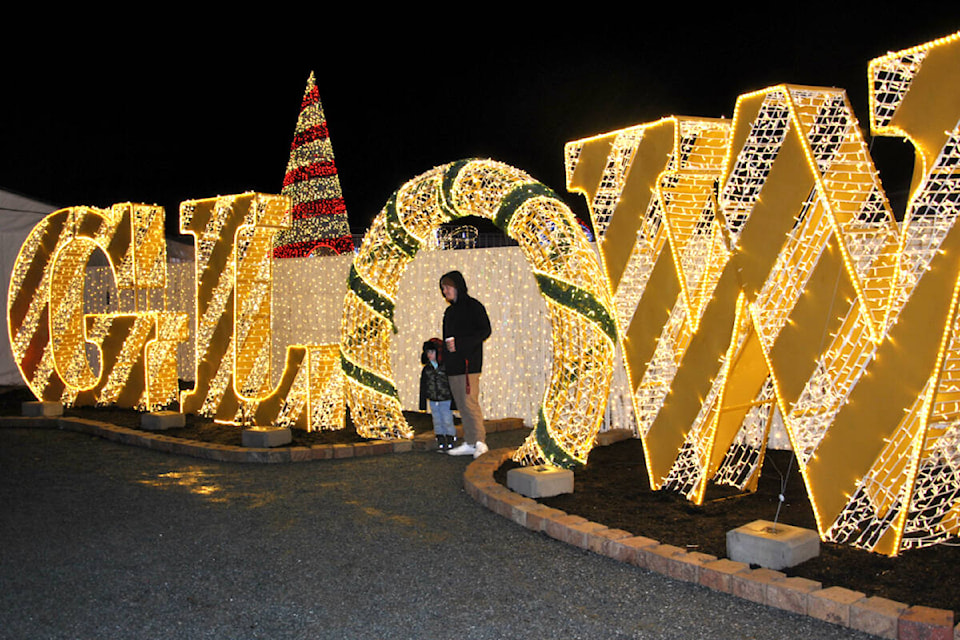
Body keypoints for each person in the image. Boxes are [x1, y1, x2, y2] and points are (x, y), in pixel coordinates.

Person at [439, 270, 491, 458]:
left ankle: (480, 442)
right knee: (461, 405)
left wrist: (460, 343)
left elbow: (485, 330)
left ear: (457, 286)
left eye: (447, 287)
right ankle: (470, 442)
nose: (445, 291)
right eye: (443, 288)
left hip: (469, 365)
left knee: (469, 403)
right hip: (454, 367)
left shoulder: (473, 306)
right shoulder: (449, 312)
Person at [418, 338, 457, 451]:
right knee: (436, 419)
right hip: (433, 399)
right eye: (428, 352)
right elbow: (423, 386)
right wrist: (423, 403)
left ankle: (450, 437)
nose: (430, 355)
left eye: (432, 352)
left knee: (447, 418)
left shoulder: (445, 367)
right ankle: (440, 437)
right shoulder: (427, 369)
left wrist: (454, 400)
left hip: (445, 398)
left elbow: (452, 384)